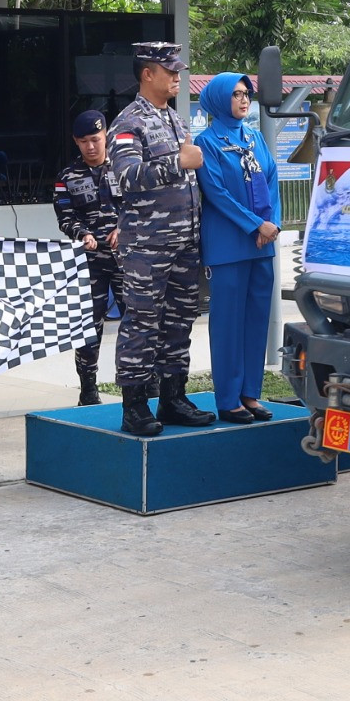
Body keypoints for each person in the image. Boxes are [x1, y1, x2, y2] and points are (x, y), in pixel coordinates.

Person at [108, 42, 210, 438]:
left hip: (184, 241)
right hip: (147, 245)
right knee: (142, 323)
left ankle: (173, 396)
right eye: (169, 71)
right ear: (147, 73)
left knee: (180, 320)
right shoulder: (128, 122)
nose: (176, 77)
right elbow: (126, 177)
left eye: (177, 70)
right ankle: (134, 405)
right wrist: (175, 163)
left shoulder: (174, 119)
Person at [197, 72, 282, 424]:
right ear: (218, 99)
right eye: (236, 94)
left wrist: (272, 223)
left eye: (246, 93)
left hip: (262, 245)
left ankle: (251, 393)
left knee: (256, 321)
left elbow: (272, 178)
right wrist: (254, 224)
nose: (244, 99)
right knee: (229, 324)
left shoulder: (255, 137)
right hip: (229, 246)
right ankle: (228, 399)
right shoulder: (207, 142)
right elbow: (217, 193)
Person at [53, 108, 123, 408]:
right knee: (88, 326)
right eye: (83, 141)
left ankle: (146, 380)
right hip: (91, 261)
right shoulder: (67, 177)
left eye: (95, 139)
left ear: (105, 135)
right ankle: (88, 387)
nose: (90, 146)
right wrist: (82, 233)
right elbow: (65, 216)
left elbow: (141, 205)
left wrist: (125, 227)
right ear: (75, 141)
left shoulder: (125, 166)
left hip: (127, 258)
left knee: (139, 321)